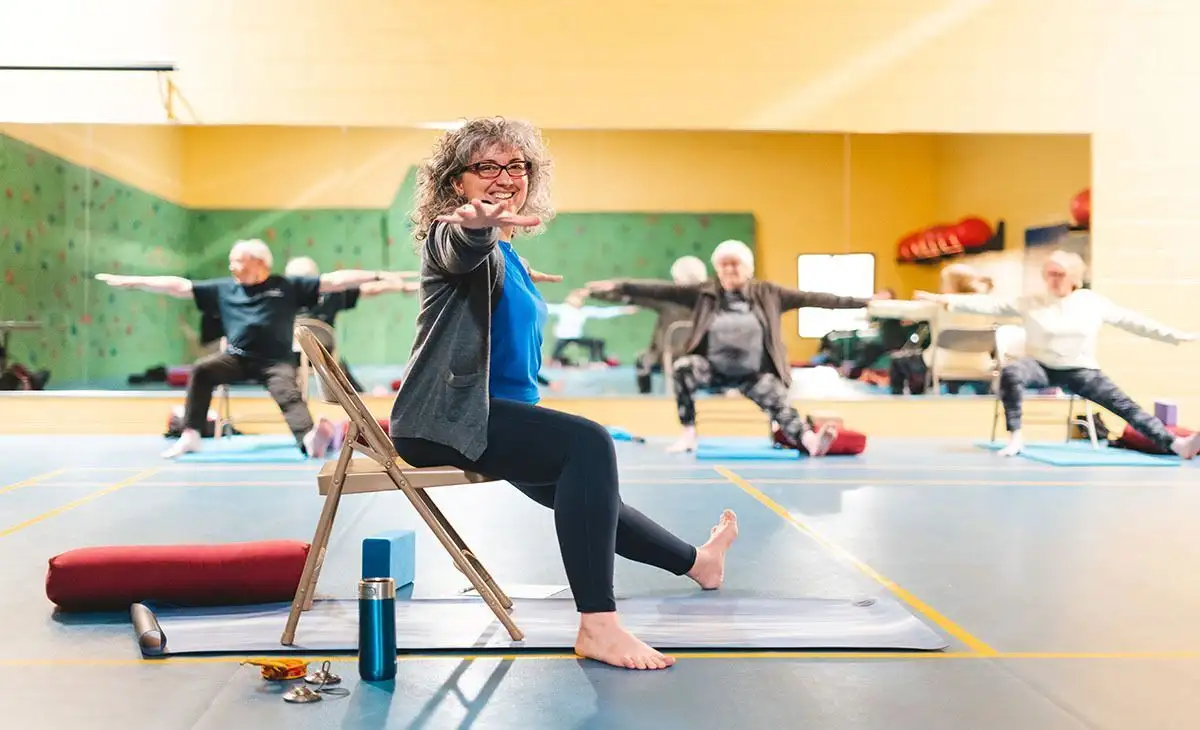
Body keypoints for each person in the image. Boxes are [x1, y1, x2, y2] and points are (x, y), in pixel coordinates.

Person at [388, 116, 738, 671]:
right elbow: (459, 248)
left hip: (496, 415)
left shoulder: (509, 256)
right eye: (487, 167)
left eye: (516, 165)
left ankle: (699, 563)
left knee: (593, 501)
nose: (505, 177)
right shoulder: (451, 236)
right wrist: (477, 229)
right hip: (445, 419)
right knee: (587, 443)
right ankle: (598, 625)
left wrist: (508, 257)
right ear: (457, 182)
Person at [95, 239, 397, 459]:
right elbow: (178, 286)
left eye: (238, 260)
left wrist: (376, 275)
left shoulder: (286, 286)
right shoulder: (224, 289)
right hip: (236, 359)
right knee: (202, 370)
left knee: (288, 395)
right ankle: (191, 434)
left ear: (260, 263)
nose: (232, 266)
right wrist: (133, 281)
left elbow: (333, 281)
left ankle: (309, 441)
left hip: (275, 362)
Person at [588, 240, 874, 455]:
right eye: (723, 265)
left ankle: (810, 441)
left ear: (747, 268)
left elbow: (815, 298)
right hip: (712, 371)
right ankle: (688, 434)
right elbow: (658, 289)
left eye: (734, 264)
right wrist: (620, 285)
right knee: (683, 367)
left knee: (778, 400)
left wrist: (864, 302)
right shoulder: (704, 293)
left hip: (753, 374)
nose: (729, 270)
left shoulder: (768, 293)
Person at [917, 250, 1200, 458]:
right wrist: (945, 300)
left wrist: (1174, 336)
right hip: (1040, 366)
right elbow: (989, 305)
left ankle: (1176, 445)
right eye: (1049, 274)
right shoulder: (1031, 302)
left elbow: (1133, 321)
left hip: (1081, 370)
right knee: (1012, 372)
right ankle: (1016, 438)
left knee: (1126, 406)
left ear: (1074, 277)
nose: (1053, 280)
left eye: (1060, 274)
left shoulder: (1091, 302)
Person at [282, 256, 421, 392]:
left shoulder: (281, 299)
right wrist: (402, 286)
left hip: (291, 357)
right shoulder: (331, 296)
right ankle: (359, 396)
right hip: (325, 356)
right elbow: (371, 289)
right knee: (351, 385)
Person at [589, 255, 708, 393]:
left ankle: (645, 395)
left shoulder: (666, 302)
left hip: (663, 357)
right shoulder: (711, 302)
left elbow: (628, 298)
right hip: (700, 358)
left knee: (642, 359)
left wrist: (594, 293)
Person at [546, 288, 638, 366]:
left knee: (597, 342)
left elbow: (603, 313)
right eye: (577, 299)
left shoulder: (584, 311)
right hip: (563, 338)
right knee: (557, 352)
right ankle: (554, 359)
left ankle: (595, 361)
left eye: (581, 299)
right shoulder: (562, 308)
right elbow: (545, 307)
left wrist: (623, 310)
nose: (580, 301)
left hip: (577, 337)